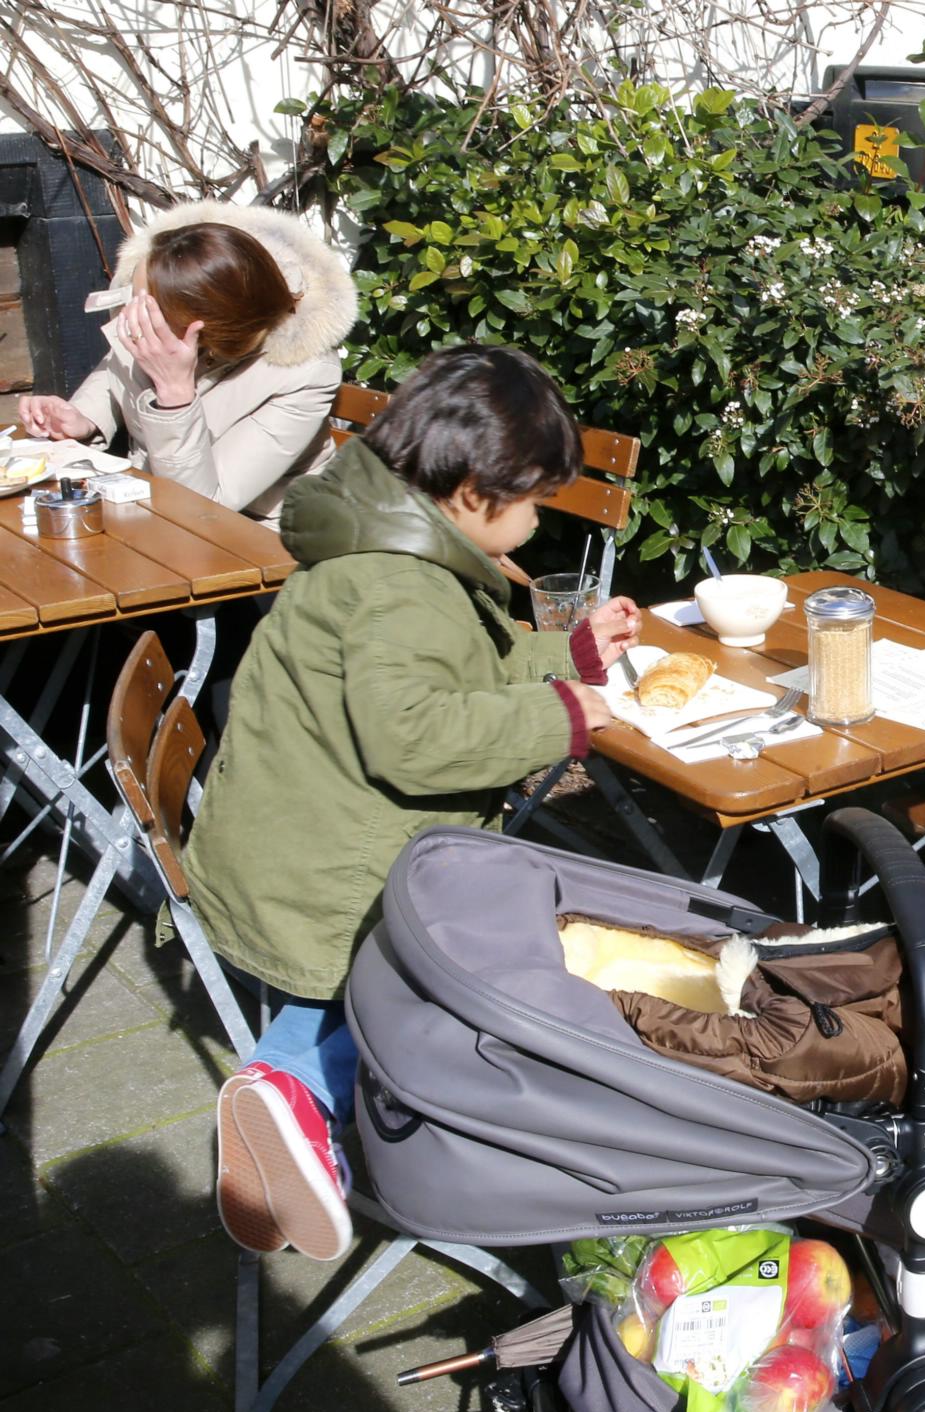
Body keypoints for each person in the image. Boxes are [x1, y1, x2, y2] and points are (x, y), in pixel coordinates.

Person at [188, 344, 640, 1264]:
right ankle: (291, 1091)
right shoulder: (405, 586)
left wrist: (572, 658)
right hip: (329, 872)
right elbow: (419, 738)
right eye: (534, 504)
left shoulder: (379, 545)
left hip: (284, 835)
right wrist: (561, 716)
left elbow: (457, 670)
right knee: (432, 958)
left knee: (422, 949)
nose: (537, 524)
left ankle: (296, 1114)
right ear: (476, 491)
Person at [18, 202, 357, 525]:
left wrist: (175, 395)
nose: (134, 319)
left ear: (203, 326)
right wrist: (84, 418)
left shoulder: (304, 374)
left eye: (147, 309)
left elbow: (202, 505)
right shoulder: (167, 320)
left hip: (257, 536)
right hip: (154, 511)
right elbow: (120, 364)